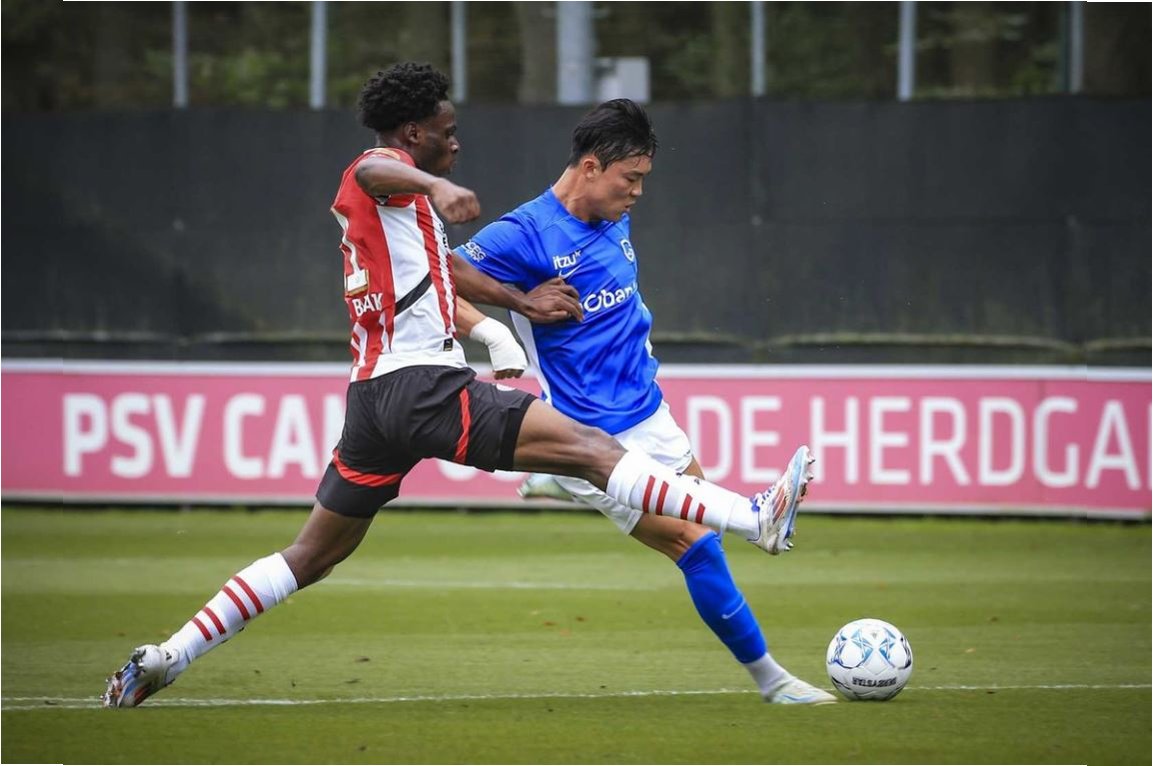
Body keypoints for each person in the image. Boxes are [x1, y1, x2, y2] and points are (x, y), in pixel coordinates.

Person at [101, 63, 820, 709]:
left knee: (310, 556)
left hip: (373, 401)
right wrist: (436, 184)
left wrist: (506, 319)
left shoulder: (409, 218)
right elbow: (374, 168)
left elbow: (449, 275)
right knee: (594, 451)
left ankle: (168, 656)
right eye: (446, 134)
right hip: (423, 388)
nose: (456, 144)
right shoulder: (388, 177)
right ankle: (752, 515)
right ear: (414, 135)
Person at [454, 98, 835, 705]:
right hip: (589, 434)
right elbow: (442, 279)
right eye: (629, 179)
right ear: (589, 167)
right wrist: (511, 314)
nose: (637, 193)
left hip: (651, 412)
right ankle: (774, 682)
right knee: (695, 544)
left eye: (643, 179)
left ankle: (553, 483)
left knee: (707, 545)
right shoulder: (525, 233)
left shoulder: (612, 215)